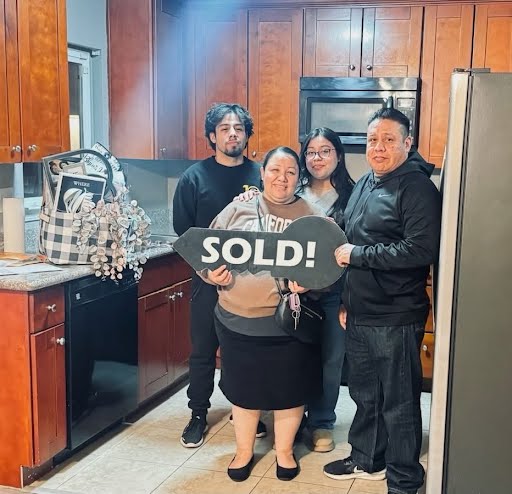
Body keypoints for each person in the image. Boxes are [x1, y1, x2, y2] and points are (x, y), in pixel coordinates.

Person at [323, 108, 442, 494]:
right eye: (373, 139)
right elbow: (350, 237)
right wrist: (346, 300)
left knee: (399, 401)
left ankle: (405, 479)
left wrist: (358, 255)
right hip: (360, 312)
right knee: (365, 394)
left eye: (389, 140)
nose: (378, 147)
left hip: (396, 315)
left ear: (407, 143)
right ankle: (367, 458)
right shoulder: (366, 182)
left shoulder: (417, 188)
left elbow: (419, 250)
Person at [203, 146, 325, 482]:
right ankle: (244, 451)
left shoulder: (312, 216)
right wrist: (212, 275)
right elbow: (206, 253)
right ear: (262, 173)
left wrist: (310, 283)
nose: (282, 178)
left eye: (290, 172)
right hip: (236, 319)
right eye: (275, 170)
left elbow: (329, 270)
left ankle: (284, 451)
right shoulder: (236, 209)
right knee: (244, 391)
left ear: (299, 178)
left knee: (289, 391)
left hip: (286, 324)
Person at [172, 102, 266, 448]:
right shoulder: (193, 178)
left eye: (239, 128)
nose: (232, 134)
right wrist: (207, 272)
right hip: (208, 280)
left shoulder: (260, 175)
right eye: (225, 129)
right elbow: (184, 232)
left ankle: (244, 411)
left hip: (252, 283)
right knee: (203, 350)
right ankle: (198, 414)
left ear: (247, 135)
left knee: (243, 350)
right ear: (212, 136)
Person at [297, 127, 354, 453]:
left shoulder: (354, 195)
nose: (317, 158)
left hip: (335, 294)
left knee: (331, 360)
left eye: (325, 151)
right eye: (311, 152)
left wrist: (348, 300)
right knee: (294, 358)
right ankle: (291, 416)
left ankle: (322, 421)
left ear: (338, 155)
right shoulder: (294, 193)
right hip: (296, 293)